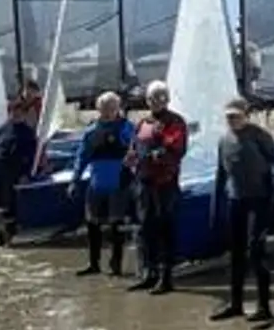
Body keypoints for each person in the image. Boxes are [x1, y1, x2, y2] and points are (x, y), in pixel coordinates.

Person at [214, 99, 274, 324]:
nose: (232, 120)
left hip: (259, 200)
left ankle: (264, 307)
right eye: (229, 117)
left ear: (246, 115)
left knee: (256, 251)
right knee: (236, 254)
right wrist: (215, 206)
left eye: (236, 116)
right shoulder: (224, 140)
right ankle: (236, 304)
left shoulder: (259, 136)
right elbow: (220, 173)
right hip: (235, 200)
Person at [130, 81, 189, 293]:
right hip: (144, 183)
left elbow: (176, 148)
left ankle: (166, 277)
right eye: (151, 98)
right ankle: (149, 272)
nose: (155, 102)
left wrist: (155, 156)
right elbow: (134, 146)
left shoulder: (175, 122)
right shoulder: (142, 122)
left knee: (165, 228)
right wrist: (131, 158)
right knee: (145, 228)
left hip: (164, 183)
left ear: (167, 99)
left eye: (160, 98)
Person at [72, 92, 135, 276]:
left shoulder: (127, 128)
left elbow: (137, 151)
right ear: (98, 109)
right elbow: (82, 157)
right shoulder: (91, 131)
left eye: (112, 108)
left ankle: (116, 265)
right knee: (92, 224)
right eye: (104, 108)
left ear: (118, 108)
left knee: (116, 225)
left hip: (119, 183)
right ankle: (94, 264)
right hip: (97, 184)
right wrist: (75, 179)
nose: (108, 112)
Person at [0, 98, 39, 247]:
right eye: (12, 111)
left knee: (8, 207)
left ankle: (7, 237)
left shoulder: (28, 133)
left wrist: (26, 174)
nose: (15, 114)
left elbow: (32, 157)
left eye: (19, 111)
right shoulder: (2, 129)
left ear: (24, 113)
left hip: (13, 174)